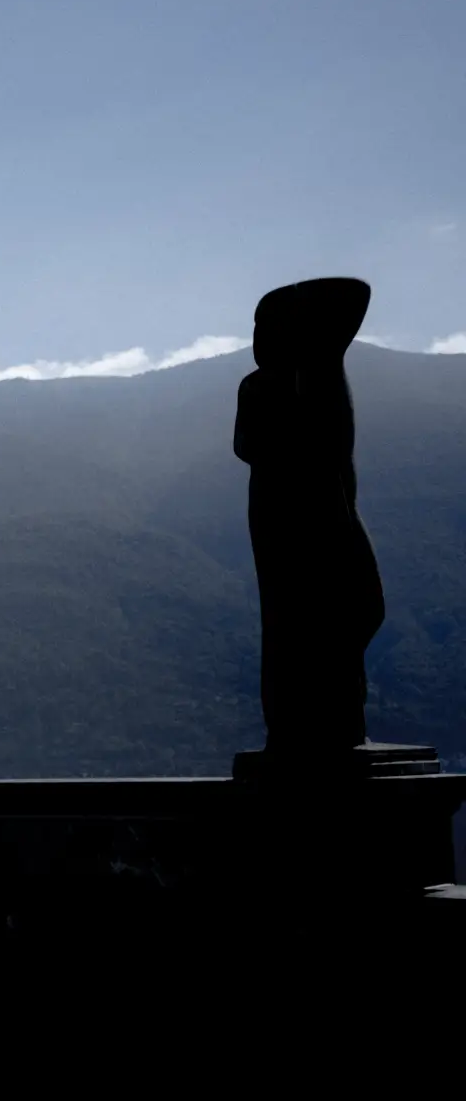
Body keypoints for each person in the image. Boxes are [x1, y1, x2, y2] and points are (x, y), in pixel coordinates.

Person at [233, 277, 382, 754]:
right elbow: (249, 446)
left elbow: (352, 295)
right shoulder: (263, 386)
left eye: (265, 326)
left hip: (330, 507)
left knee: (356, 608)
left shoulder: (320, 372)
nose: (257, 337)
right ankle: (303, 727)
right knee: (298, 619)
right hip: (289, 514)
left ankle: (333, 722)